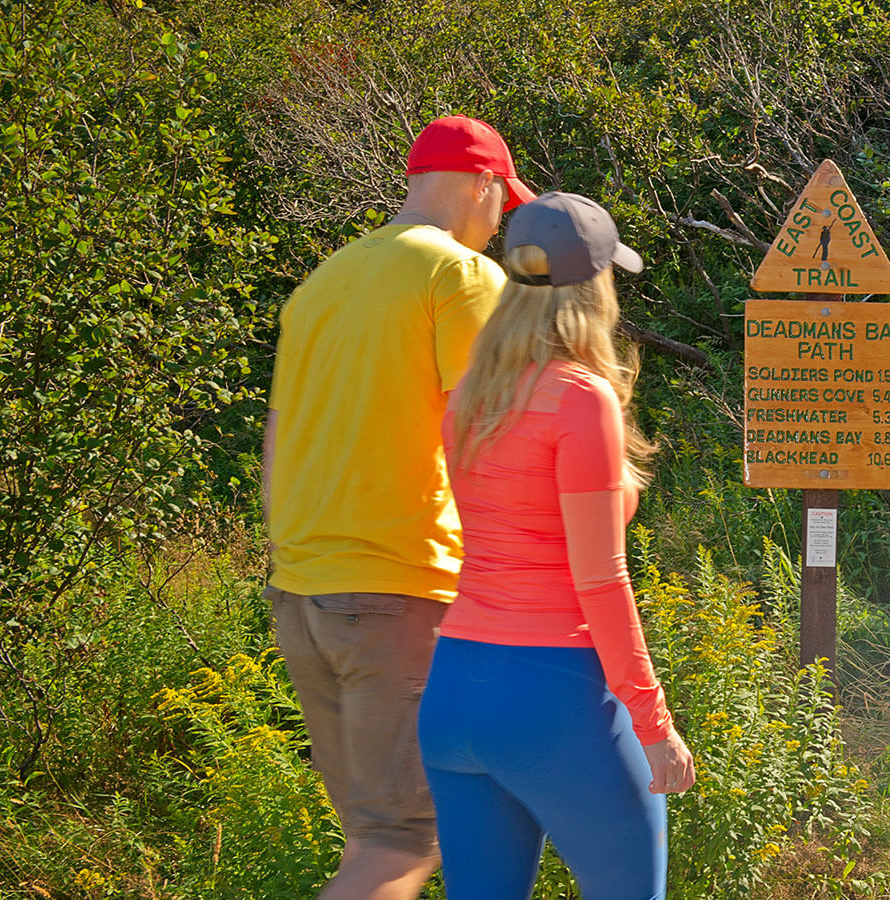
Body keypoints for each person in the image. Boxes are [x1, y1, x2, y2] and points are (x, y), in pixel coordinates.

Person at [263, 115, 535, 900]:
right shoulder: (460, 277)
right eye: (503, 201)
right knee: (402, 845)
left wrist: (292, 563)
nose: (502, 220)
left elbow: (278, 445)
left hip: (306, 597)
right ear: (481, 183)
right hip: (396, 591)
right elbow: (484, 440)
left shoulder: (322, 284)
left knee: (377, 840)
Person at [418, 192, 695, 900]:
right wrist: (652, 722)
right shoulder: (580, 398)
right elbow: (601, 580)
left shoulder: (469, 399)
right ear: (593, 286)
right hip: (553, 695)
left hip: (455, 692)